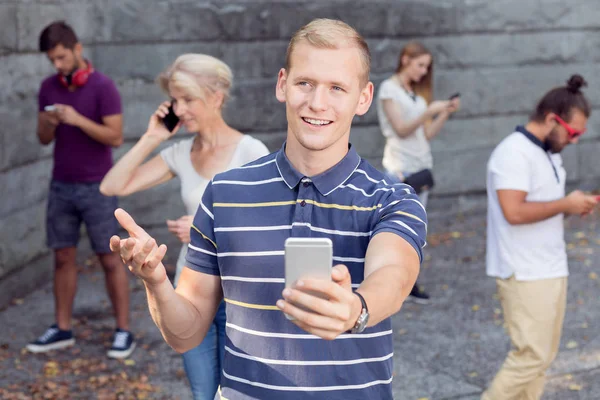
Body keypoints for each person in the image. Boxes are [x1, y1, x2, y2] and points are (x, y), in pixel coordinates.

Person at [110, 18, 427, 399]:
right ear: (282, 84)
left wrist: (357, 309)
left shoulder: (392, 197)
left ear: (363, 98)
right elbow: (186, 335)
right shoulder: (224, 193)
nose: (317, 102)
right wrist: (157, 282)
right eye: (304, 83)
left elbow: (394, 275)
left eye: (337, 88)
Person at [100, 54, 269, 400]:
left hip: (241, 296)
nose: (179, 108)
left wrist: (206, 226)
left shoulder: (251, 151)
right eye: (175, 99)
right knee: (203, 392)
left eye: (188, 99)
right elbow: (112, 185)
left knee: (238, 394)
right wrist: (152, 136)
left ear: (216, 97)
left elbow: (271, 228)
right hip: (190, 291)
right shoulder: (179, 152)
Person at [482, 74, 596, 400]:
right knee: (530, 356)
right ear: (551, 119)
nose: (575, 140)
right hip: (524, 270)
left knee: (542, 358)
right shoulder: (512, 153)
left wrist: (572, 205)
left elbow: (543, 205)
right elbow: (514, 212)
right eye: (573, 132)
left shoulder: (548, 153)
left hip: (549, 266)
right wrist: (566, 203)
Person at [27, 21, 135, 359]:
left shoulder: (104, 87)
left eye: (61, 57)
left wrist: (77, 119)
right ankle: (62, 328)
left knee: (109, 258)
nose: (57, 65)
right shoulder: (48, 87)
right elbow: (43, 139)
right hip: (61, 185)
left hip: (98, 187)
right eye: (52, 60)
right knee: (62, 257)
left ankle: (123, 331)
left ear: (77, 48)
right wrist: (47, 123)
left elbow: (115, 137)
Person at [376, 41, 460, 304]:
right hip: (399, 167)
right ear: (405, 59)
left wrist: (443, 113)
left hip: (422, 165)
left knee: (416, 230)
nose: (424, 71)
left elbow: (425, 134)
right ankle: (389, 283)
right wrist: (429, 111)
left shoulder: (416, 94)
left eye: (427, 67)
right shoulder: (389, 90)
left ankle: (408, 282)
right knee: (393, 229)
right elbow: (401, 129)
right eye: (420, 65)